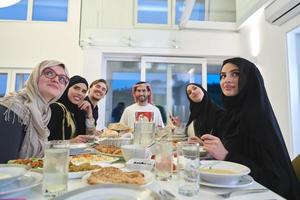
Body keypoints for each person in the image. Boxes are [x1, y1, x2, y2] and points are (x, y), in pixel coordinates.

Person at [186, 57, 300, 199]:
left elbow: (277, 182)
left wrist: (226, 155)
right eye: (223, 76)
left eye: (235, 74)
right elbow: (235, 150)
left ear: (249, 79)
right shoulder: (230, 116)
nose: (226, 80)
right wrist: (209, 148)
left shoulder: (257, 118)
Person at [0, 60, 69, 163]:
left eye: (62, 79)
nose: (56, 80)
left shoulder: (45, 112)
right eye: (49, 73)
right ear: (35, 77)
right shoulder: (11, 109)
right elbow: (4, 166)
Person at [48, 75, 95, 143]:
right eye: (76, 88)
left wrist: (89, 115)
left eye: (83, 91)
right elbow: (45, 142)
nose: (80, 93)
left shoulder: (78, 111)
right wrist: (70, 142)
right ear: (67, 88)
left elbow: (90, 138)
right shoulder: (56, 108)